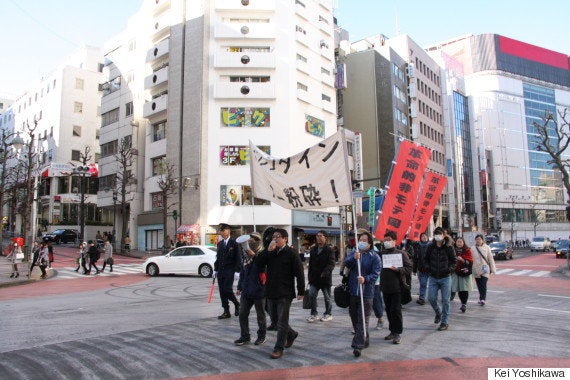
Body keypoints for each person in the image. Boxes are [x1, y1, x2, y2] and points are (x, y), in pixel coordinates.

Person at [256, 228, 305, 359]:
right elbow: (258, 263)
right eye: (273, 237)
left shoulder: (291, 253)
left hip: (285, 292)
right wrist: (267, 251)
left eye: (277, 237)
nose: (275, 239)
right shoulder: (271, 252)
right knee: (275, 319)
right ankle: (292, 333)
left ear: (285, 239)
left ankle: (278, 348)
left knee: (282, 321)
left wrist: (301, 290)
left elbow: (299, 273)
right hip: (271, 290)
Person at [344, 230, 381, 357]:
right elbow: (346, 263)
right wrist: (353, 258)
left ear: (370, 243)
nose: (362, 242)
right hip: (354, 291)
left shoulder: (374, 257)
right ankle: (365, 337)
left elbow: (376, 273)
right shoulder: (355, 253)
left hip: (366, 293)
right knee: (354, 316)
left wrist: (366, 279)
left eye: (365, 241)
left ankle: (358, 345)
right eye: (361, 240)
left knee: (362, 319)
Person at [234, 232, 267, 346]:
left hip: (259, 290)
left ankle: (262, 336)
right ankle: (245, 336)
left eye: (254, 239)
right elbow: (243, 273)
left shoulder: (263, 254)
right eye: (250, 239)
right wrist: (239, 286)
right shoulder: (246, 256)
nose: (251, 241)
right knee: (242, 313)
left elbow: (265, 269)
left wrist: (255, 256)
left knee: (260, 315)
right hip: (247, 289)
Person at [379, 231, 412, 344]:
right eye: (385, 240)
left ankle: (397, 333)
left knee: (396, 310)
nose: (386, 242)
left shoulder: (401, 254)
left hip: (397, 287)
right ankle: (392, 331)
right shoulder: (381, 254)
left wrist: (398, 270)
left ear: (394, 241)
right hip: (385, 286)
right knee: (388, 310)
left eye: (389, 240)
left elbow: (408, 268)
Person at [424, 227, 456, 331]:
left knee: (445, 300)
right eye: (436, 234)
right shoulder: (431, 247)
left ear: (443, 235)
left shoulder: (449, 247)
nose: (437, 236)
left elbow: (453, 261)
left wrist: (449, 269)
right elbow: (425, 259)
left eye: (439, 234)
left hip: (445, 277)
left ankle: (444, 322)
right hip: (433, 276)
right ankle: (438, 312)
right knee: (431, 298)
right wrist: (428, 268)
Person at [306, 230, 336, 323]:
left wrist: (325, 272)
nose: (318, 237)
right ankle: (314, 314)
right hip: (314, 278)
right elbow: (310, 264)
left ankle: (328, 313)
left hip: (325, 278)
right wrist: (309, 276)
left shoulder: (329, 250)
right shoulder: (313, 249)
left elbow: (331, 264)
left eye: (320, 236)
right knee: (311, 295)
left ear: (325, 238)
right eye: (317, 236)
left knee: (327, 297)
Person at [214, 223, 241, 319]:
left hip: (230, 270)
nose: (221, 232)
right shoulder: (220, 244)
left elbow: (238, 258)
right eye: (220, 231)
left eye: (223, 230)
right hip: (221, 271)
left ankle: (237, 304)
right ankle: (226, 311)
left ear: (228, 231)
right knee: (222, 292)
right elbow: (218, 258)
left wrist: (237, 271)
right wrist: (215, 269)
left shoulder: (234, 243)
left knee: (227, 289)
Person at [450, 237, 474, 313]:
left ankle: (464, 304)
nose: (459, 243)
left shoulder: (467, 250)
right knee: (457, 288)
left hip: (464, 273)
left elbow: (470, 262)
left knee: (464, 289)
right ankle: (458, 300)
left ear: (463, 243)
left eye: (460, 242)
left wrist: (463, 260)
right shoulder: (452, 250)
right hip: (455, 272)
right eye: (458, 242)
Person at [472, 234, 496, 306]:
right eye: (477, 239)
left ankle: (483, 299)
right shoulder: (472, 248)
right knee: (479, 285)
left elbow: (490, 258)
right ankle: (481, 297)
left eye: (479, 239)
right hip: (476, 269)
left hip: (485, 269)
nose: (478, 241)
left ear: (482, 240)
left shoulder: (487, 247)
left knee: (483, 284)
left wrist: (493, 269)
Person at [412, 233, 430, 305]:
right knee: (423, 283)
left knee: (428, 284)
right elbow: (415, 259)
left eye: (425, 236)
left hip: (430, 269)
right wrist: (414, 269)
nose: (424, 237)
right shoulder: (418, 246)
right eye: (422, 236)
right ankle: (422, 297)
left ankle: (426, 297)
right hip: (421, 268)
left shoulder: (431, 246)